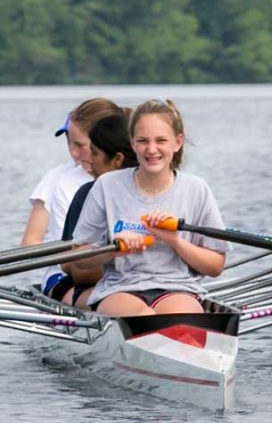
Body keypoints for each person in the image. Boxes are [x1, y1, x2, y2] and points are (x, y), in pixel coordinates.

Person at [68, 99, 228, 317]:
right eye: (143, 141)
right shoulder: (106, 185)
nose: (152, 150)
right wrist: (114, 248)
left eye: (161, 140)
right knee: (144, 318)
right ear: (132, 143)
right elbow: (79, 257)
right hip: (120, 289)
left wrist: (174, 241)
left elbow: (215, 266)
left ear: (177, 142)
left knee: (177, 320)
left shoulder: (196, 188)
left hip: (177, 289)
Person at [42, 110, 137, 307]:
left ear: (117, 160)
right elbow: (74, 268)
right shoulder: (87, 194)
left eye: (94, 153)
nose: (89, 160)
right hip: (96, 287)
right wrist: (120, 258)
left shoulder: (159, 191)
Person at [21, 97, 120, 248]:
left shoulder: (134, 175)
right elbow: (29, 243)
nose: (73, 153)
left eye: (80, 145)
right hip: (66, 267)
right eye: (69, 142)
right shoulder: (61, 180)